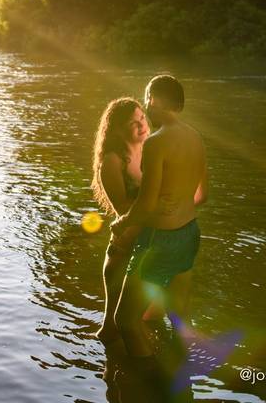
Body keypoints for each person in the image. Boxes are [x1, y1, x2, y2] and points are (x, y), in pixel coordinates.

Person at [111, 74, 208, 360]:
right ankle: (181, 378)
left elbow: (146, 204)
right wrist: (177, 203)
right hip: (189, 233)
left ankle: (148, 381)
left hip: (159, 240)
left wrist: (122, 222)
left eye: (146, 100)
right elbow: (203, 195)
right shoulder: (195, 137)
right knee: (179, 320)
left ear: (154, 99)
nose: (146, 107)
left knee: (126, 322)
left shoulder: (156, 143)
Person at [91, 97, 150, 342]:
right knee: (111, 328)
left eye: (142, 118)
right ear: (117, 129)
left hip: (148, 242)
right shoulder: (112, 161)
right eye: (132, 123)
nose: (141, 125)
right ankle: (111, 376)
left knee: (143, 320)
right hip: (123, 249)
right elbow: (123, 208)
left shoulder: (151, 150)